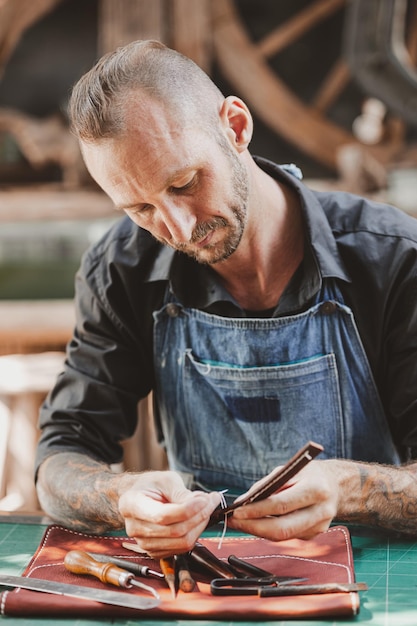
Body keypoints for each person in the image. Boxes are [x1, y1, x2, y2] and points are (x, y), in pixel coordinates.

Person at [36, 39, 417, 558]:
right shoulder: (122, 267)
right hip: (208, 577)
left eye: (186, 182)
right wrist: (120, 496)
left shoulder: (393, 260)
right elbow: (61, 455)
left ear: (235, 127)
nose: (179, 227)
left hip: (379, 575)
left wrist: (350, 489)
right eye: (141, 208)